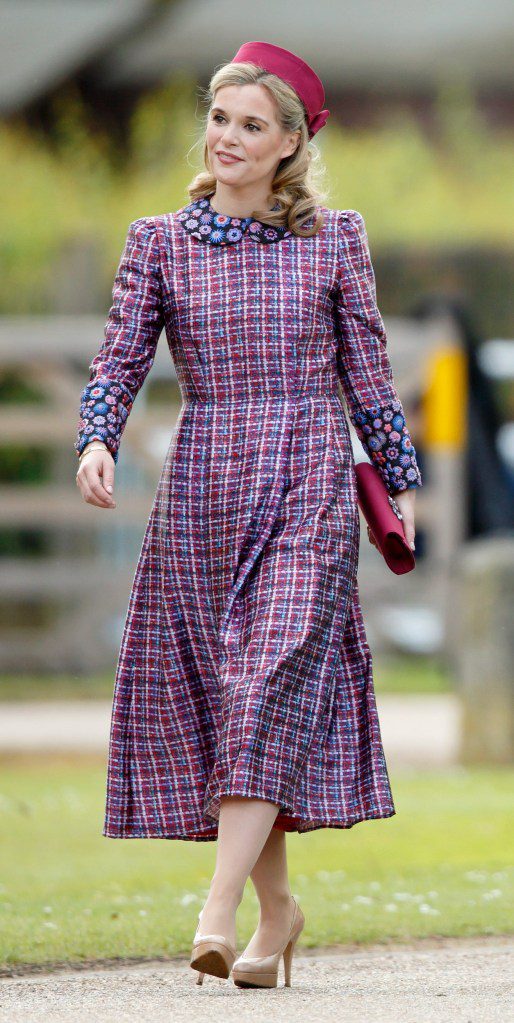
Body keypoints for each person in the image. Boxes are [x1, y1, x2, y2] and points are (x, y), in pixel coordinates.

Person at [74, 40, 422, 990]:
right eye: (220, 119)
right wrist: (97, 436)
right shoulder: (159, 241)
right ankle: (278, 911)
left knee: (266, 675)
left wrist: (399, 479)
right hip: (202, 489)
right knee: (232, 696)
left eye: (251, 125)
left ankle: (216, 908)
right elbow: (116, 361)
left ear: (289, 146)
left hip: (308, 473)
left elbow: (370, 372)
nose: (227, 137)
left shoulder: (335, 237)